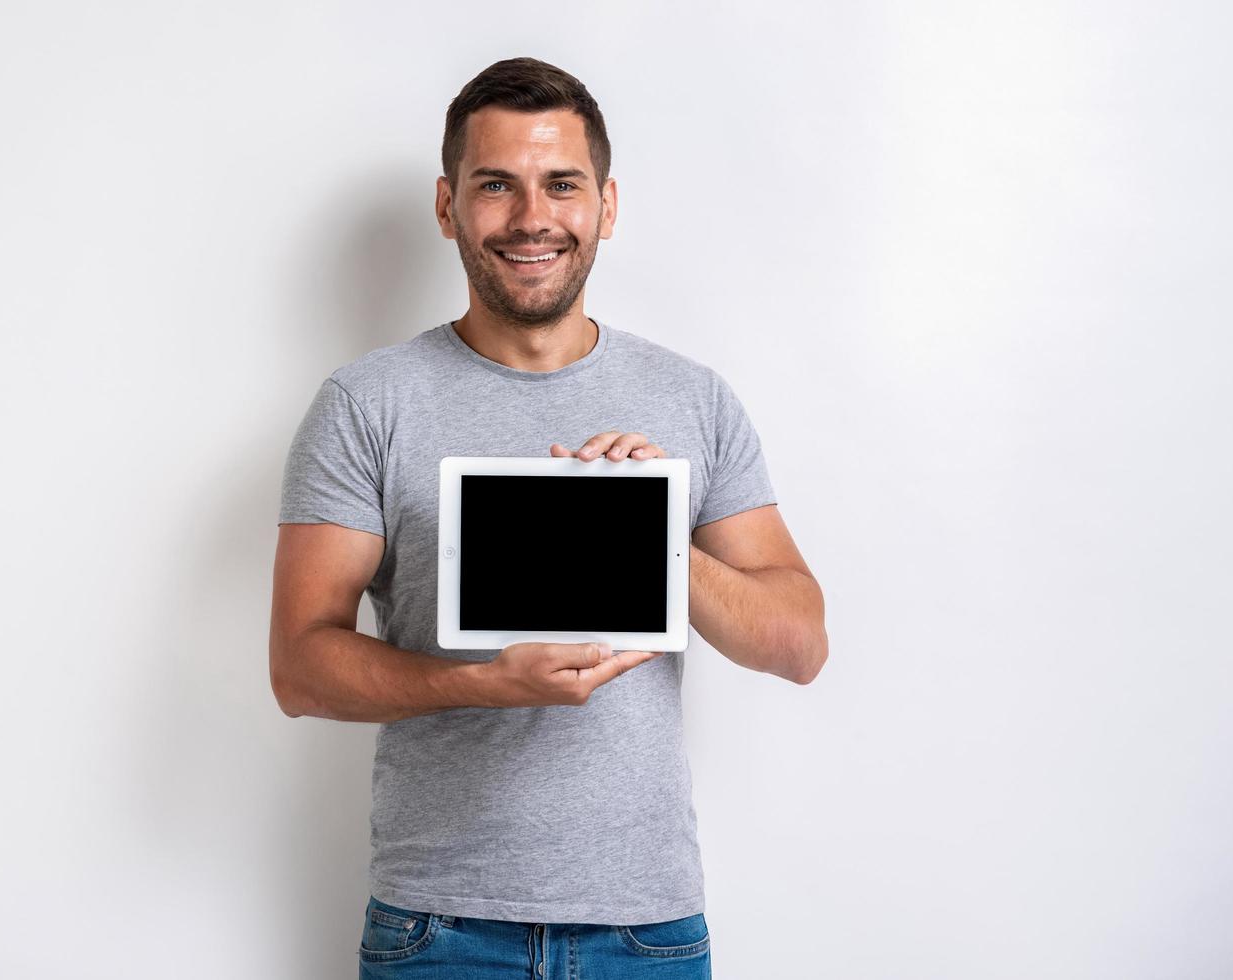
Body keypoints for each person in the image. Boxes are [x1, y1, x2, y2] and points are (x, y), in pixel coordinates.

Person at [270, 56, 827, 979]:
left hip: (645, 929)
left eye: (560, 184)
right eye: (497, 186)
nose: (532, 218)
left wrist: (646, 536)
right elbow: (300, 666)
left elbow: (797, 645)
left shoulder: (692, 400)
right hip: (438, 929)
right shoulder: (367, 404)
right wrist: (486, 684)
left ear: (605, 205)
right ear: (448, 207)